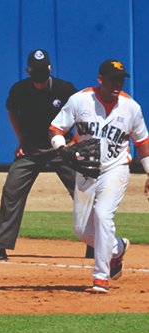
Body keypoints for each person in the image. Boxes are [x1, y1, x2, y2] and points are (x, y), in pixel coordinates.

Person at [0, 49, 88, 261]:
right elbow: (11, 111)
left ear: (50, 69)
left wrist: (75, 141)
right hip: (31, 149)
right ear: (28, 70)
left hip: (60, 148)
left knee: (84, 190)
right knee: (12, 191)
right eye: (35, 69)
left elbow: (84, 115)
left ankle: (95, 243)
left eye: (43, 69)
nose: (39, 73)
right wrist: (21, 140)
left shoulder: (64, 89)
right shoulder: (19, 90)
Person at [49, 59, 149, 293]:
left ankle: (100, 278)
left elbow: (142, 143)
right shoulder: (80, 100)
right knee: (81, 231)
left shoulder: (131, 107)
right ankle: (117, 247)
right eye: (113, 79)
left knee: (103, 216)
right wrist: (61, 148)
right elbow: (56, 128)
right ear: (100, 79)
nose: (117, 84)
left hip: (116, 169)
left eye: (121, 79)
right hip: (86, 170)